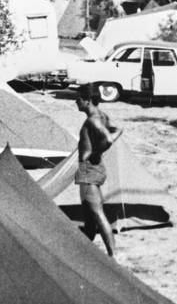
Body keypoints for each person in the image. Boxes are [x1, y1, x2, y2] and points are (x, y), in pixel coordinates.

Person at [75, 84, 118, 256]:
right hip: (96, 168)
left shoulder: (92, 119)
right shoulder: (102, 116)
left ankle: (113, 257)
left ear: (87, 100)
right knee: (89, 218)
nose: (75, 101)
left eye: (78, 98)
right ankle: (85, 253)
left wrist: (95, 151)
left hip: (89, 169)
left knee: (97, 214)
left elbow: (108, 139)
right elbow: (118, 129)